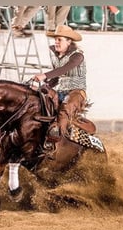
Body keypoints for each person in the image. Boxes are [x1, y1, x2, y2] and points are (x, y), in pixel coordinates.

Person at [32, 25, 87, 154]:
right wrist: (44, 87)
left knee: (65, 109)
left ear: (69, 41)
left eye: (59, 39)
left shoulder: (77, 56)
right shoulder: (56, 56)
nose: (56, 42)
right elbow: (57, 77)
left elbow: (64, 69)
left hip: (76, 92)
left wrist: (44, 76)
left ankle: (56, 139)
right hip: (60, 91)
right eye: (55, 39)